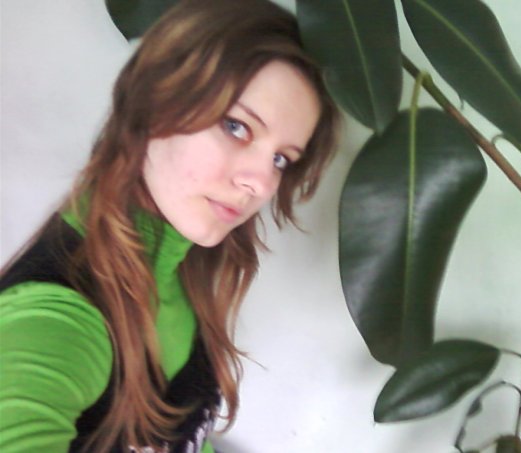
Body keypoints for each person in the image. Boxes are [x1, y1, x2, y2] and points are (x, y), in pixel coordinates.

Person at [0, 0, 339, 451]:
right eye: (236, 127)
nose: (260, 183)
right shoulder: (57, 318)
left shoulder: (186, 265)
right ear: (154, 103)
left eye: (281, 159)